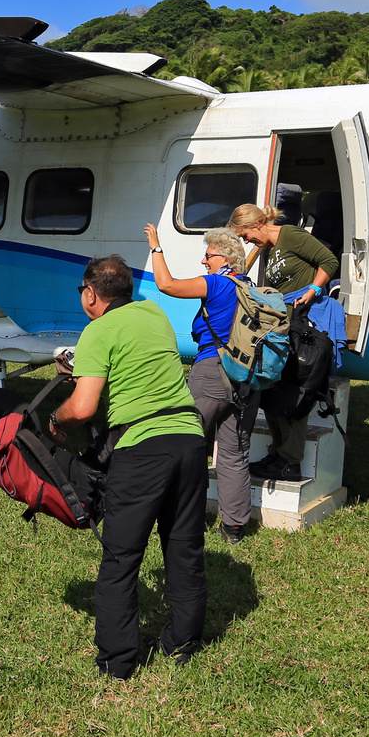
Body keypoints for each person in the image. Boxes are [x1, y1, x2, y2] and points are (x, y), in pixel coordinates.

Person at [50, 254, 208, 680]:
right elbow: (136, 365)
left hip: (143, 449)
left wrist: (54, 419)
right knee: (184, 546)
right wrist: (83, 370)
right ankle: (183, 642)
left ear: (90, 294)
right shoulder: (153, 312)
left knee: (121, 557)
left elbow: (82, 409)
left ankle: (117, 663)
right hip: (190, 438)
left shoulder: (96, 329)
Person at [142, 223, 258, 544]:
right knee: (234, 453)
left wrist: (156, 246)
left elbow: (166, 285)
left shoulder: (218, 285)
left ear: (225, 258)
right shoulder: (250, 288)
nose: (204, 262)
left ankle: (170, 515)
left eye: (208, 256)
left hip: (212, 373)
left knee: (180, 442)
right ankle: (234, 528)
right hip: (247, 378)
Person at [226, 203, 340, 480]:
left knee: (292, 393)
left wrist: (313, 289)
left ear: (256, 225)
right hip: (282, 328)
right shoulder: (269, 249)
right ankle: (277, 454)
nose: (246, 240)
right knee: (274, 391)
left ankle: (290, 460)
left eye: (245, 234)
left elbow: (329, 261)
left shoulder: (291, 235)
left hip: (301, 326)